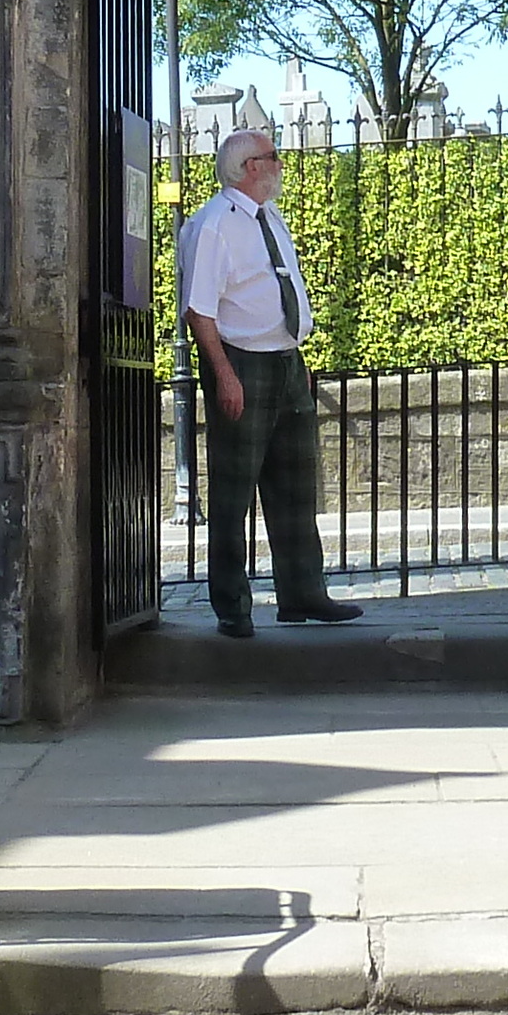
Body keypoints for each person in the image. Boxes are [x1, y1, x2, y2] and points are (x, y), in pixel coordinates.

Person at [174, 127, 361, 638]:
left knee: (296, 485)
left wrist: (294, 353)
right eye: (271, 156)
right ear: (248, 166)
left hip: (284, 360)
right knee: (234, 491)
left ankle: (302, 592)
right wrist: (225, 375)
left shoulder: (270, 218)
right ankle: (232, 605)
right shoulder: (213, 225)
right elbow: (199, 311)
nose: (279, 164)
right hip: (241, 362)